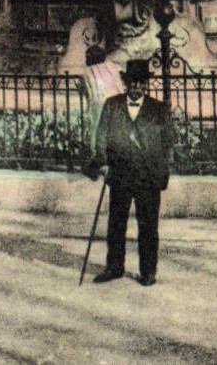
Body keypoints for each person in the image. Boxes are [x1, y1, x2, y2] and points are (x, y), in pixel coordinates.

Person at [90, 59, 172, 286]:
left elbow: (168, 144)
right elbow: (101, 136)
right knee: (116, 223)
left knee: (148, 226)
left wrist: (162, 171)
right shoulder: (112, 105)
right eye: (132, 82)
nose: (136, 87)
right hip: (120, 174)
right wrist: (103, 162)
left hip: (148, 177)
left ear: (146, 84)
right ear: (125, 83)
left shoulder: (158, 110)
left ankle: (148, 271)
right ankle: (114, 267)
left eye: (141, 82)